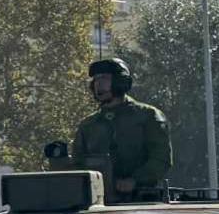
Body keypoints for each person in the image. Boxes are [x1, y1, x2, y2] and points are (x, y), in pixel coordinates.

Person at [56, 57, 172, 202]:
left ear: (120, 82)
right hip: (98, 202)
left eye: (104, 78)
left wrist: (135, 180)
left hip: (142, 199)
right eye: (96, 80)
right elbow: (78, 163)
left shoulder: (148, 116)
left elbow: (161, 159)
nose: (99, 84)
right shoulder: (88, 125)